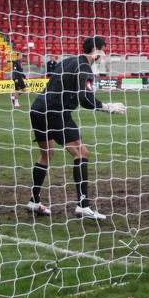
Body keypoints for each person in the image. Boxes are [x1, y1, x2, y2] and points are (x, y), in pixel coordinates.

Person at [27, 36, 125, 220]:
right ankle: (83, 205)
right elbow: (85, 99)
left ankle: (34, 200)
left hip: (38, 108)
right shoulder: (84, 67)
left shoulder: (68, 61)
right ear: (96, 50)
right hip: (55, 112)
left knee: (46, 154)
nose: (105, 55)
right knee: (82, 153)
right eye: (104, 50)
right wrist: (107, 107)